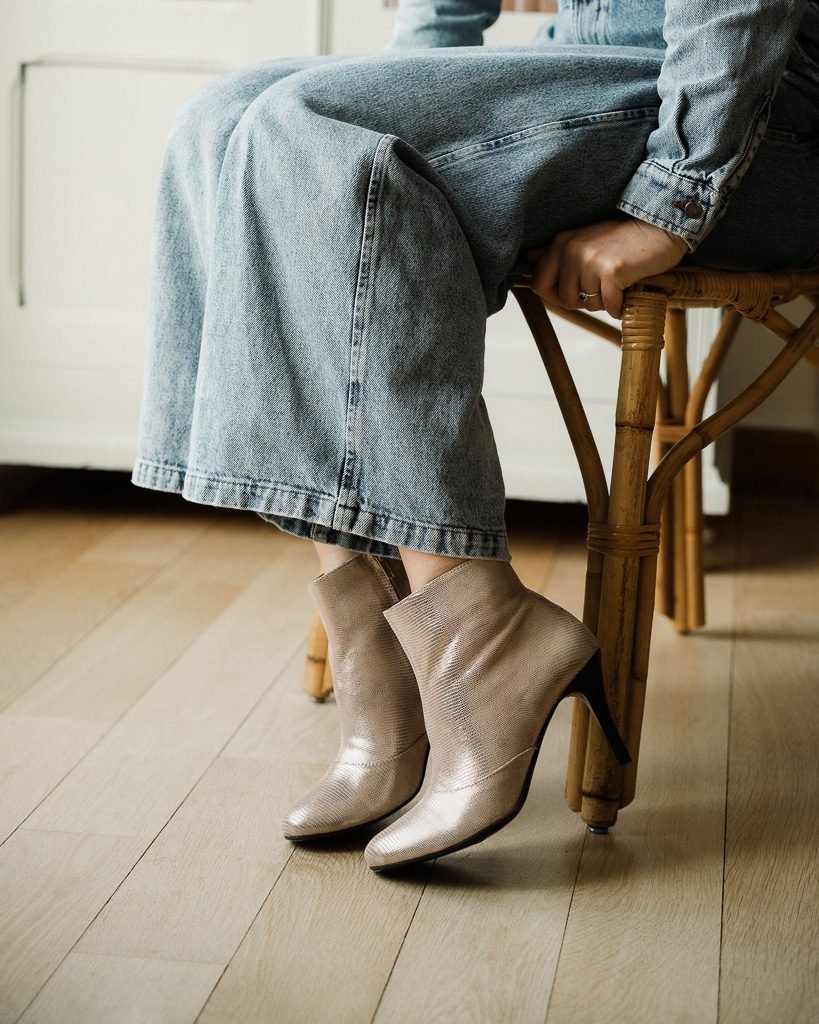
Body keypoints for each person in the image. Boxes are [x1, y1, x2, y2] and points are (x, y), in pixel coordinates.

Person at [132, 0, 819, 872]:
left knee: (311, 131)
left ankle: (480, 636)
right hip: (589, 65)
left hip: (765, 105)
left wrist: (675, 192)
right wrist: (412, 78)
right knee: (222, 123)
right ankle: (386, 642)